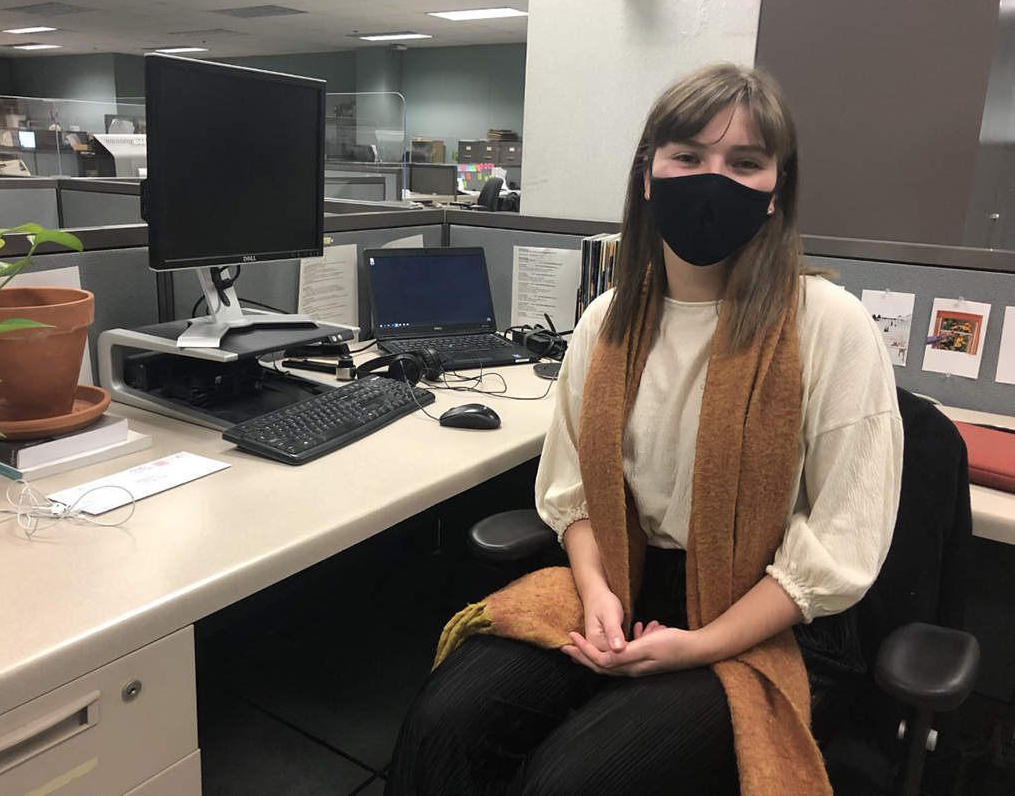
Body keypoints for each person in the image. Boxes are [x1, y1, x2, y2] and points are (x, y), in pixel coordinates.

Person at [386, 63, 902, 796]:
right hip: (626, 582)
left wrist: (701, 646)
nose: (712, 178)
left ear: (776, 189)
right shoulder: (608, 321)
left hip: (768, 616)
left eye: (745, 163)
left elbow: (843, 542)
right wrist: (597, 595)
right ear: (650, 175)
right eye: (688, 155)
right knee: (448, 719)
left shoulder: (828, 325)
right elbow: (573, 494)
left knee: (573, 780)